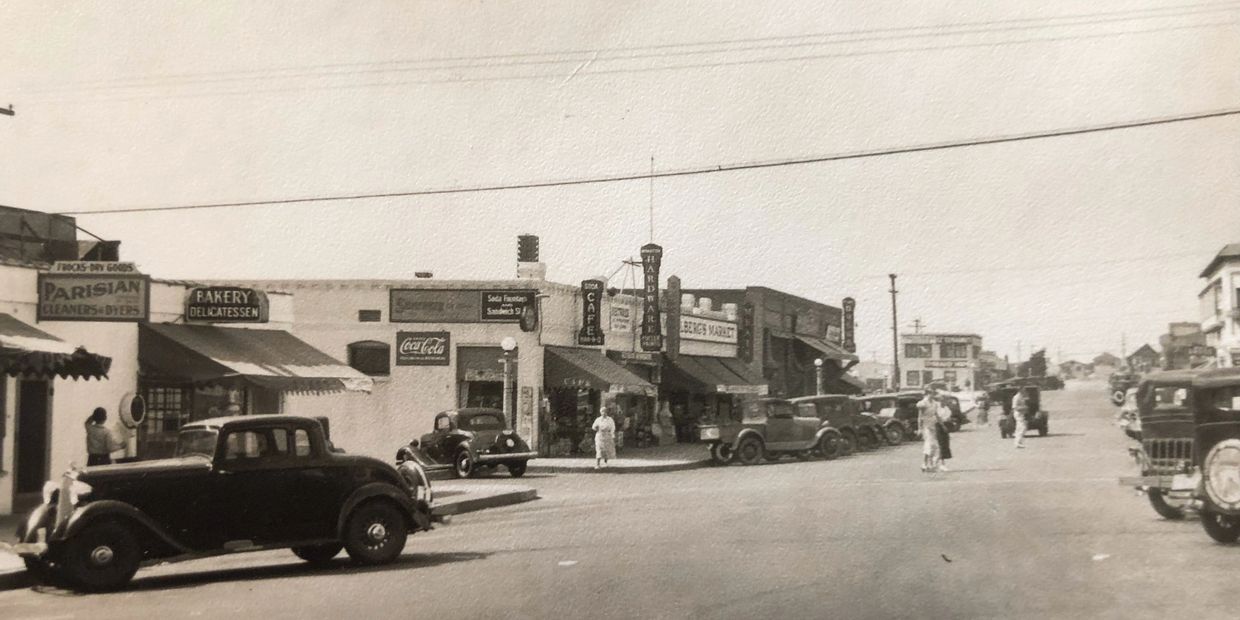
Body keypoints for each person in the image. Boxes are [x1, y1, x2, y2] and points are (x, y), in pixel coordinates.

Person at [917, 387, 941, 472]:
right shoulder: (923, 403)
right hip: (926, 426)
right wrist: (919, 428)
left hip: (933, 425)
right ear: (927, 394)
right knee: (929, 445)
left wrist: (941, 425)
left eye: (933, 393)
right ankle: (924, 463)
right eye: (931, 393)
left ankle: (929, 464)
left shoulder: (934, 403)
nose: (932, 395)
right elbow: (920, 417)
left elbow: (936, 415)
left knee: (934, 446)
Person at [591, 403, 618, 469]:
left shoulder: (610, 419)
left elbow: (613, 428)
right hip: (599, 436)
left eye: (605, 412)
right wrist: (596, 428)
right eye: (602, 412)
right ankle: (597, 464)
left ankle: (606, 463)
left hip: (607, 436)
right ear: (600, 412)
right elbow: (593, 427)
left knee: (606, 450)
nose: (604, 413)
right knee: (599, 449)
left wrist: (612, 435)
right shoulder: (598, 419)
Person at [934, 396, 953, 472]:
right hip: (939, 426)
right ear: (940, 401)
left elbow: (949, 416)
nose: (944, 402)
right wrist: (943, 426)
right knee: (941, 444)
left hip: (945, 425)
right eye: (942, 401)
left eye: (945, 401)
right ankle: (942, 464)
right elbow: (938, 418)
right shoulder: (937, 408)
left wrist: (948, 422)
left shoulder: (947, 408)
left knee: (946, 444)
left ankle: (936, 459)